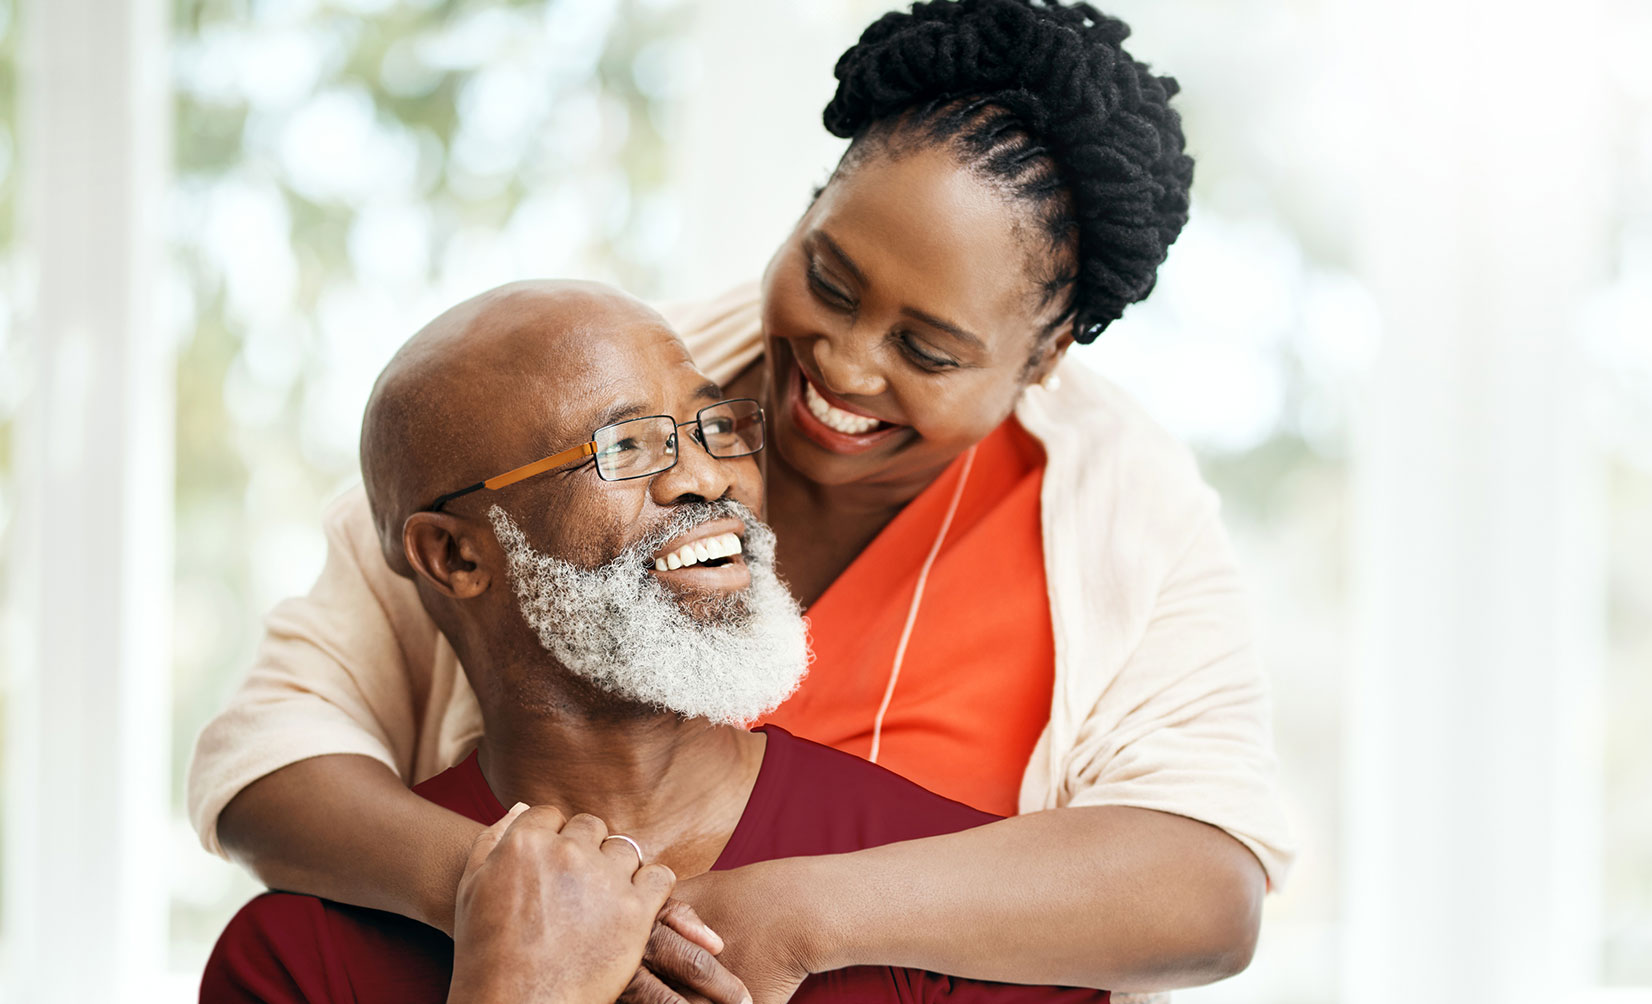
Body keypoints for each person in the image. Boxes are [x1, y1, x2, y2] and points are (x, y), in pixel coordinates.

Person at [190, 1, 1291, 1000]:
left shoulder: (1121, 510)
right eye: (829, 279)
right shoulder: (552, 393)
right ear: (811, 206)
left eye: (926, 347)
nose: (846, 366)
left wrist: (791, 917)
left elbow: (1203, 883)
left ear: (1041, 356)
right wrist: (523, 905)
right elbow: (269, 759)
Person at [203, 280, 1107, 1004]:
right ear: (454, 555)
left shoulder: (961, 910)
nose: (706, 475)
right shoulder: (291, 962)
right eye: (625, 446)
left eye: (714, 426)